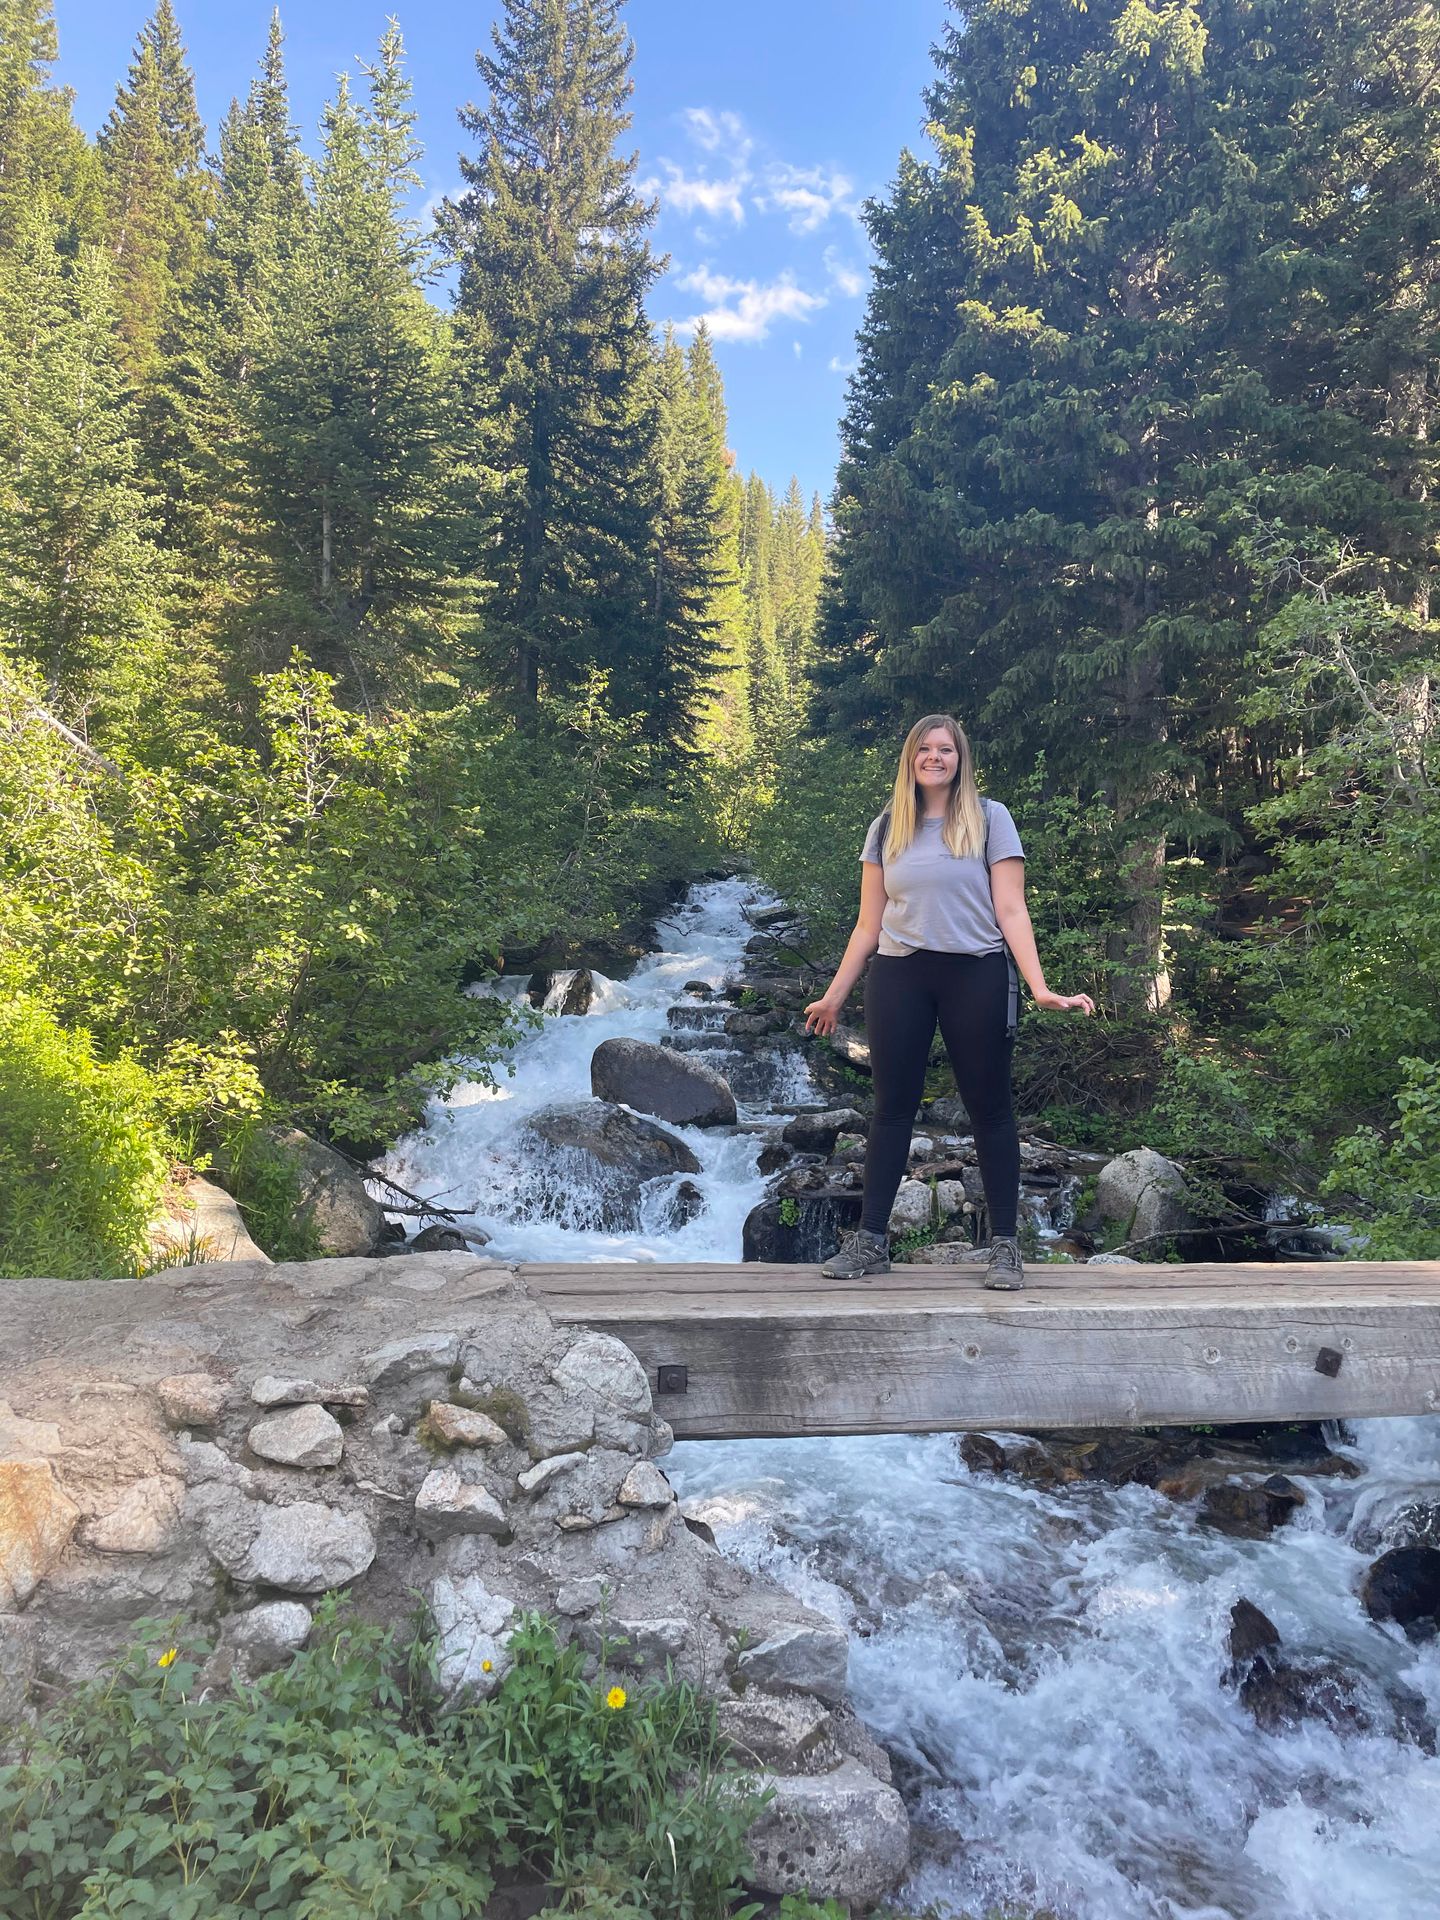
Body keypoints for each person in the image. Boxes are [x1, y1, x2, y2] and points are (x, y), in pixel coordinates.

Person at [802, 713, 1095, 1289]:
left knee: (990, 1107)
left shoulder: (990, 819)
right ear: (910, 759)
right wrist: (834, 997)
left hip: (976, 972)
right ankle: (871, 1242)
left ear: (961, 760)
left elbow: (1011, 909)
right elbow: (868, 924)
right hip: (899, 974)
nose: (934, 757)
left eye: (946, 749)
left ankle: (1006, 1248)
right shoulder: (887, 827)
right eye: (924, 749)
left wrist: (1039, 987)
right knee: (890, 1108)